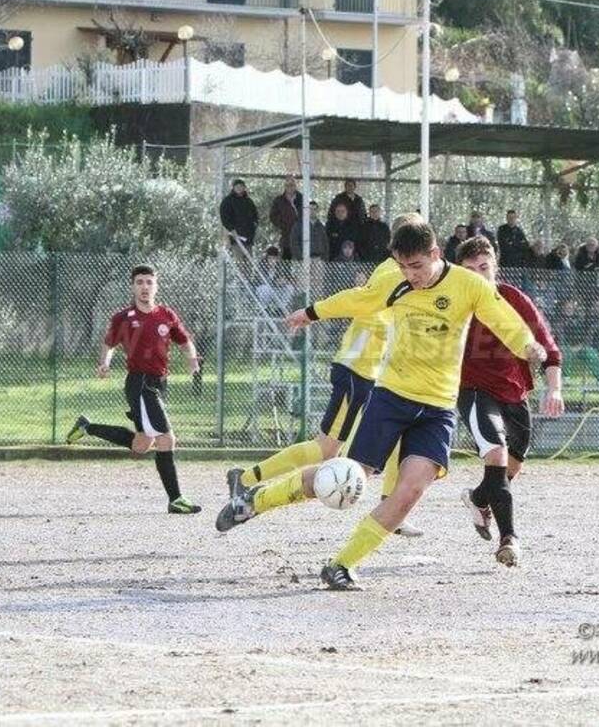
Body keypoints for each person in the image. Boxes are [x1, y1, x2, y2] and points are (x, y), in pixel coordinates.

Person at [217, 221, 543, 591]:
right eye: (403, 267)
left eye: (417, 266)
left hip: (437, 409)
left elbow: (503, 318)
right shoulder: (395, 281)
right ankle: (255, 500)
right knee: (344, 473)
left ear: (435, 255)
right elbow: (358, 299)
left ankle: (341, 564)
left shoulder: (468, 285)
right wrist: (311, 312)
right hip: (391, 398)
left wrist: (528, 346)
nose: (410, 275)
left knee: (409, 492)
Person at [222, 215, 426, 540]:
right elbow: (358, 302)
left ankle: (392, 506)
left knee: (390, 439)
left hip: (369, 372)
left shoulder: (400, 273)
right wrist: (311, 313)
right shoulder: (393, 273)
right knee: (327, 448)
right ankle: (245, 481)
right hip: (357, 369)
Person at [456, 237, 564, 566]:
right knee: (497, 456)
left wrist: (554, 389)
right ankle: (509, 539)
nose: (477, 275)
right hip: (473, 390)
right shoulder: (453, 302)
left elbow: (547, 346)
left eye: (483, 268)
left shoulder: (514, 298)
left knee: (510, 466)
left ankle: (477, 498)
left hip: (514, 393)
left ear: (496, 267)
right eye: (469, 270)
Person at [66, 265, 201, 514]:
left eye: (149, 282)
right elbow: (109, 344)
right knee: (167, 439)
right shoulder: (123, 318)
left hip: (159, 384)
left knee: (141, 444)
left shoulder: (166, 315)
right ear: (133, 287)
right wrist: (104, 363)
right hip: (140, 383)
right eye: (140, 282)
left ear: (156, 286)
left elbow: (185, 341)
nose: (145, 287)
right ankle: (176, 499)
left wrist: (192, 358)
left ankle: (87, 426)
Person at [219, 178, 259, 254]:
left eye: (241, 186)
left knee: (248, 261)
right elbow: (224, 217)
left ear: (244, 188)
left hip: (248, 236)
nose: (239, 188)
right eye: (237, 187)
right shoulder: (228, 201)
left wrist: (255, 224)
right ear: (233, 188)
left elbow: (255, 214)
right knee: (239, 261)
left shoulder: (248, 201)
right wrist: (231, 229)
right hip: (236, 236)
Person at [269, 176, 303, 261]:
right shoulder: (279, 200)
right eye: (287, 185)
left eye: (292, 185)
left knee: (301, 261)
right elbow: (273, 216)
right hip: (286, 235)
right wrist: (282, 224)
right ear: (284, 186)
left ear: (295, 186)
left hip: (301, 235)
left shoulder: (302, 199)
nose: (290, 187)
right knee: (286, 262)